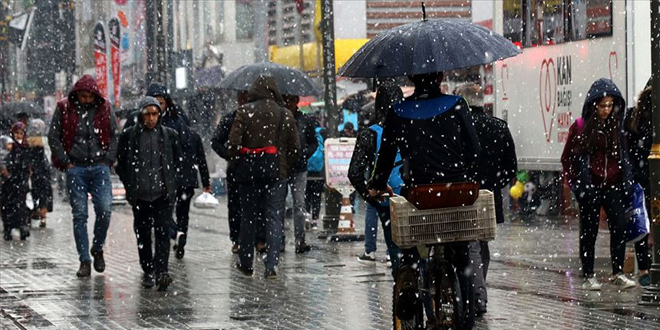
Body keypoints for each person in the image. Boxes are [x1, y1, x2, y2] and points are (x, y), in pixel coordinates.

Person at [368, 72, 481, 329]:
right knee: (462, 257)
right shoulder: (457, 104)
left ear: (411, 77)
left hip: (420, 195)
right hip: (457, 193)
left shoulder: (398, 111)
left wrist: (377, 185)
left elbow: (385, 157)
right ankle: (467, 317)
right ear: (440, 75)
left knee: (412, 244)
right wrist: (459, 169)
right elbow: (475, 151)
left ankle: (409, 273)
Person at [561, 78, 636, 291]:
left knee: (619, 226)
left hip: (612, 184)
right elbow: (567, 158)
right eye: (603, 105)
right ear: (594, 105)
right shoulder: (581, 127)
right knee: (589, 231)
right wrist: (576, 183)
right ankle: (588, 274)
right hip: (590, 185)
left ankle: (617, 272)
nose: (607, 110)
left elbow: (624, 155)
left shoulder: (617, 127)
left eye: (610, 105)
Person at [455, 83, 517, 316]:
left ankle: (475, 295)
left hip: (460, 195)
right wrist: (492, 184)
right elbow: (510, 168)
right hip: (487, 198)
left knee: (466, 244)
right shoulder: (499, 127)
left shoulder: (456, 128)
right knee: (481, 244)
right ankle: (477, 290)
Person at [228, 75, 299, 279]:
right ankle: (272, 265)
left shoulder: (244, 111)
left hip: (249, 173)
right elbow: (294, 146)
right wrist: (284, 165)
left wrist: (237, 163)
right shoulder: (284, 114)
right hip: (276, 172)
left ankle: (246, 262)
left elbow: (233, 142)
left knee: (248, 217)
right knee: (274, 218)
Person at [48, 75, 118, 278]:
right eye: (83, 96)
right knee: (80, 215)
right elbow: (54, 136)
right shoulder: (64, 108)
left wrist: (108, 160)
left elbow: (114, 135)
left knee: (105, 210)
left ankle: (97, 247)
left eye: (89, 96)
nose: (86, 99)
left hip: (99, 167)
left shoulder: (104, 108)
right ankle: (84, 260)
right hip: (76, 168)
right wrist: (66, 162)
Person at [116, 96, 182, 290]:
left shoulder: (169, 135)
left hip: (162, 194)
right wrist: (130, 185)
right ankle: (148, 270)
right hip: (140, 195)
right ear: (141, 115)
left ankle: (162, 271)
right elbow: (121, 163)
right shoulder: (130, 136)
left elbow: (177, 162)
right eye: (148, 114)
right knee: (143, 233)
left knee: (162, 232)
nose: (151, 118)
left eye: (155, 114)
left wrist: (171, 184)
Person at [348, 82, 403, 275]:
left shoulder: (369, 133)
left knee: (395, 247)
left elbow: (354, 173)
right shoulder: (412, 126)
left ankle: (403, 287)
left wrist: (369, 196)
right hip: (413, 196)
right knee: (418, 249)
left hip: (386, 198)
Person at [212, 91, 250, 254]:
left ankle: (255, 238)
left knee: (253, 204)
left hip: (254, 167)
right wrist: (230, 155)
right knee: (235, 205)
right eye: (243, 97)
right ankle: (237, 239)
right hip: (237, 168)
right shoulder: (230, 118)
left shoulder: (259, 118)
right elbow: (216, 142)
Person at [624, 80, 652, 287]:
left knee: (641, 224)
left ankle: (645, 268)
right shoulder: (639, 118)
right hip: (647, 178)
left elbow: (626, 151)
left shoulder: (633, 117)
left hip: (640, 180)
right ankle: (647, 268)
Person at [281, 94, 318, 253]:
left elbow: (313, 143)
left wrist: (304, 154)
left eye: (291, 100)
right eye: (285, 100)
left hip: (299, 168)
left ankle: (300, 240)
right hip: (282, 167)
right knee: (279, 205)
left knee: (299, 204)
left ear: (296, 101)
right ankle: (279, 240)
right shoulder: (279, 119)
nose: (288, 103)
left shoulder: (305, 120)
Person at [172, 129, 211, 259]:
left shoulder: (167, 132)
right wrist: (206, 181)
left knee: (164, 212)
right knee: (183, 212)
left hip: (170, 179)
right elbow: (201, 159)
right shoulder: (193, 135)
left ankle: (175, 233)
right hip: (188, 180)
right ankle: (181, 235)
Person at [1, 122, 31, 240]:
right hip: (8, 181)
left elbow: (28, 161)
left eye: (21, 133)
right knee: (8, 205)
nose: (19, 136)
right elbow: (4, 160)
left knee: (20, 204)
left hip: (21, 180)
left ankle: (22, 226)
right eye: (17, 133)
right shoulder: (8, 146)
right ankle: (9, 227)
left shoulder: (25, 146)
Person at [26, 119, 53, 228]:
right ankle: (43, 217)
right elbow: (49, 155)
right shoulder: (45, 140)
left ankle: (34, 214)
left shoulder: (29, 141)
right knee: (44, 194)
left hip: (35, 171)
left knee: (34, 193)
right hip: (43, 171)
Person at [305, 126, 327, 228]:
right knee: (317, 197)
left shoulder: (307, 133)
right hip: (319, 174)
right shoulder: (322, 134)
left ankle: (307, 216)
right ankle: (315, 220)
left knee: (307, 196)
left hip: (307, 172)